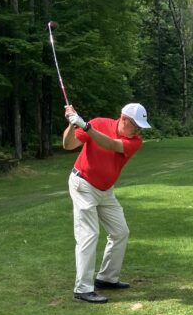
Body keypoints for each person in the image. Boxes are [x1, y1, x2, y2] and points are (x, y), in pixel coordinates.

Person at [62, 102, 151, 303]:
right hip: (83, 185)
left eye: (140, 127)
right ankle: (83, 289)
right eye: (136, 125)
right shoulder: (99, 123)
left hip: (106, 191)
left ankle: (107, 278)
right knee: (88, 234)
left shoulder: (135, 141)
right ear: (124, 119)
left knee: (120, 232)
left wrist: (85, 126)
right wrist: (71, 124)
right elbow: (68, 145)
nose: (138, 131)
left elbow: (110, 144)